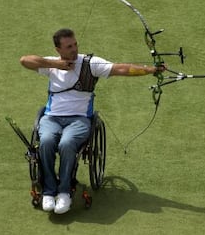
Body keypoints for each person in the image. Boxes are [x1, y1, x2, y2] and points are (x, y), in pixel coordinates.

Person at [20, 28, 163, 214]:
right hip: (51, 117)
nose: (74, 49)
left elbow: (121, 68)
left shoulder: (90, 63)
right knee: (46, 141)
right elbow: (24, 60)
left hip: (79, 120)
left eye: (75, 44)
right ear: (58, 49)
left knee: (67, 143)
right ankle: (48, 191)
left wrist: (151, 69)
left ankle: (64, 192)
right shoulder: (51, 64)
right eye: (68, 46)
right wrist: (57, 64)